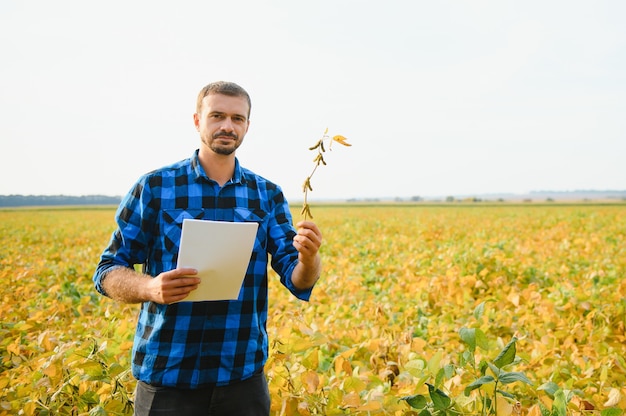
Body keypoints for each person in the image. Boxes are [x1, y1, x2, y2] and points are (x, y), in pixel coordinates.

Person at [93, 81, 323, 415]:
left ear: (246, 126)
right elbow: (108, 270)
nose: (227, 126)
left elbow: (298, 279)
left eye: (237, 118)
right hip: (168, 374)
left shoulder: (267, 194)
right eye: (217, 116)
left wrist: (309, 257)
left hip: (241, 376)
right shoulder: (155, 187)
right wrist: (150, 287)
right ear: (197, 120)